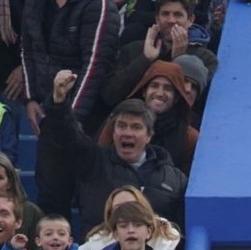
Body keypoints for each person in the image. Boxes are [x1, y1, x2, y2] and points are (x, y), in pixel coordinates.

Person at [41, 71, 187, 225]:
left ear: (149, 135)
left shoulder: (174, 178)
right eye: (122, 126)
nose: (127, 133)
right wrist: (59, 101)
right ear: (114, 131)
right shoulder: (93, 161)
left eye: (136, 127)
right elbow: (68, 136)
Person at [19, 0, 119, 134]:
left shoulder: (99, 5)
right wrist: (30, 98)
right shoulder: (34, 4)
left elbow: (95, 65)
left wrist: (75, 116)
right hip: (48, 106)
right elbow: (27, 50)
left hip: (87, 113)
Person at [97, 58, 196, 173]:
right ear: (144, 91)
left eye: (168, 88)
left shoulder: (189, 138)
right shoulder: (118, 120)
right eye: (154, 86)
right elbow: (99, 160)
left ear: (176, 98)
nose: (159, 93)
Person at [77, 186, 180, 250]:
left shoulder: (164, 233)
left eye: (131, 205)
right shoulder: (98, 239)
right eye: (118, 208)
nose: (126, 211)